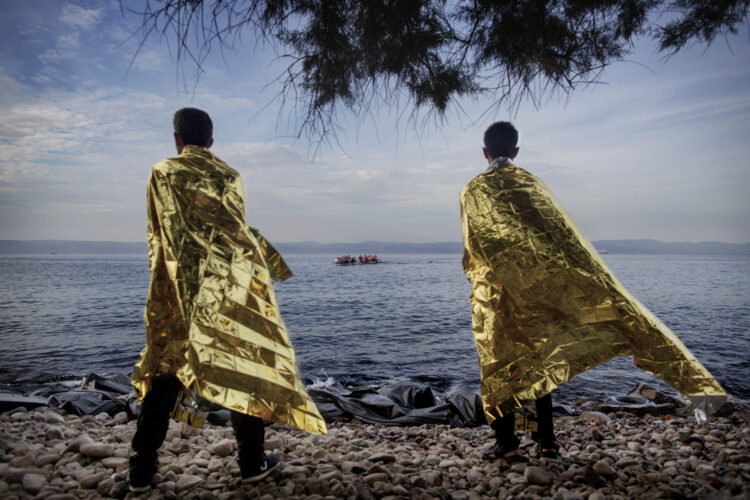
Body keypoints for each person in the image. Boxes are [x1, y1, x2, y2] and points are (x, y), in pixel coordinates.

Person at [460, 121, 726, 462]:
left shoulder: (471, 191)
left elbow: (476, 249)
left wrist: (483, 284)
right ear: (515, 151)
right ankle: (547, 441)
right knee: (540, 362)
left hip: (499, 295)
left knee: (500, 364)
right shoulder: (531, 185)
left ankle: (507, 442)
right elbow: (561, 240)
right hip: (540, 291)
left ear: (484, 153)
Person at [129, 108, 326, 492]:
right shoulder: (229, 176)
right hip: (225, 285)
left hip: (176, 287)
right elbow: (231, 233)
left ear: (177, 139)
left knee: (165, 366)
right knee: (241, 363)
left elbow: (158, 235)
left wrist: (163, 286)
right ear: (212, 141)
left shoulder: (162, 172)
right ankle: (251, 462)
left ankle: (141, 467)